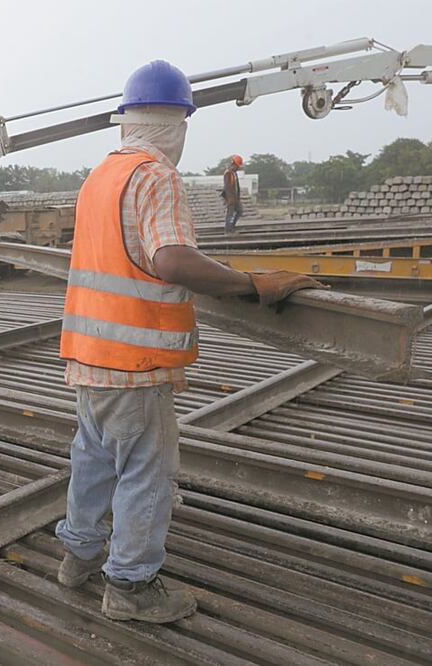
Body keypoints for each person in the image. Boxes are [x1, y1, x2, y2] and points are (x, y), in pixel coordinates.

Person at [55, 59, 326, 624]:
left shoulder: (99, 175)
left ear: (126, 120)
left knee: (94, 461)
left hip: (88, 358)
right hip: (137, 362)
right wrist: (251, 284)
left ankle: (77, 557)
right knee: (146, 473)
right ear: (178, 122)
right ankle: (129, 587)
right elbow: (171, 259)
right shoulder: (155, 176)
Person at [222, 154, 244, 232]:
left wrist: (237, 198)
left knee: (240, 211)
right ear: (234, 164)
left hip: (235, 198)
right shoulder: (228, 173)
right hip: (230, 198)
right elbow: (227, 187)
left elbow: (236, 187)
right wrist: (230, 199)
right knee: (230, 214)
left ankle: (231, 227)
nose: (238, 168)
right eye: (237, 166)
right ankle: (228, 230)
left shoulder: (234, 173)